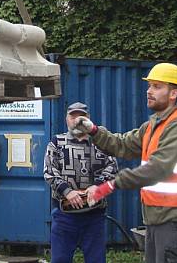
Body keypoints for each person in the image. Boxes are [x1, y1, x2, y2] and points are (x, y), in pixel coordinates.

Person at [73, 63, 177, 263]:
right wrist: (94, 131)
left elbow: (158, 168)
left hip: (175, 221)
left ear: (174, 93)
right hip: (157, 219)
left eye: (157, 86)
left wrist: (110, 185)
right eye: (149, 86)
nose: (149, 91)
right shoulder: (152, 125)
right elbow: (122, 144)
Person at [44, 102, 117, 263]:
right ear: (66, 119)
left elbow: (113, 169)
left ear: (88, 119)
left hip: (94, 216)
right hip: (64, 216)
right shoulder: (56, 143)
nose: (76, 121)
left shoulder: (101, 142)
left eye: (81, 117)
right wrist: (67, 192)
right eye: (73, 117)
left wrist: (97, 187)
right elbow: (49, 172)